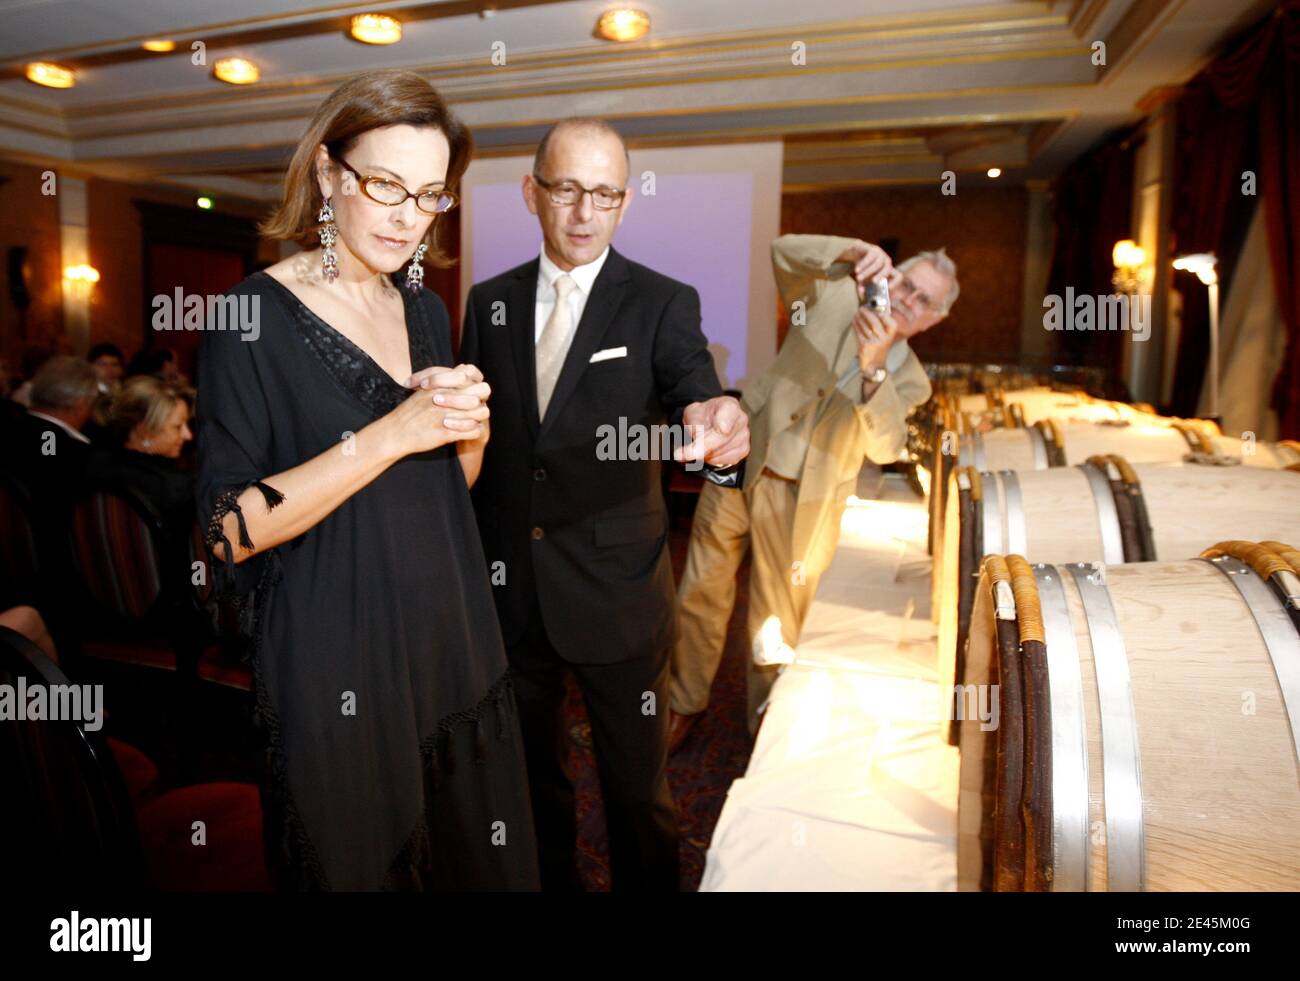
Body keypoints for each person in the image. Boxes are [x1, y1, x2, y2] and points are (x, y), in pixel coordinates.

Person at [196, 69, 539, 891]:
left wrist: (468, 431)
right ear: (325, 171)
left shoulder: (422, 308)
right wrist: (390, 433)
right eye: (385, 184)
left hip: (446, 635)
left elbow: (444, 490)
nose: (408, 217)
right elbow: (227, 529)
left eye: (430, 195)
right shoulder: (249, 317)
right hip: (336, 651)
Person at [455, 117, 749, 891]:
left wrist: (713, 417)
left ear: (624, 202)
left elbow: (696, 387)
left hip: (618, 592)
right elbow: (480, 444)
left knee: (635, 791)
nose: (585, 213)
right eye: (567, 190)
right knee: (531, 782)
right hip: (512, 590)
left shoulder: (659, 301)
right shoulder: (489, 303)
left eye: (606, 195)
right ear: (532, 193)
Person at [669, 235, 957, 744]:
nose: (909, 301)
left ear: (935, 320)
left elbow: (886, 446)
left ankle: (765, 726)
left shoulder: (910, 379)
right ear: (891, 278)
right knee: (698, 591)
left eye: (924, 301)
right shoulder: (832, 296)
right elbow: (782, 252)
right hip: (741, 461)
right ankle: (682, 703)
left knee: (774, 623)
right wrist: (850, 251)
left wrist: (873, 366)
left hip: (807, 500)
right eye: (907, 285)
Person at [90, 375, 196, 537]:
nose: (188, 435)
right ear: (144, 430)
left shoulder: (90, 465)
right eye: (177, 427)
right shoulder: (177, 488)